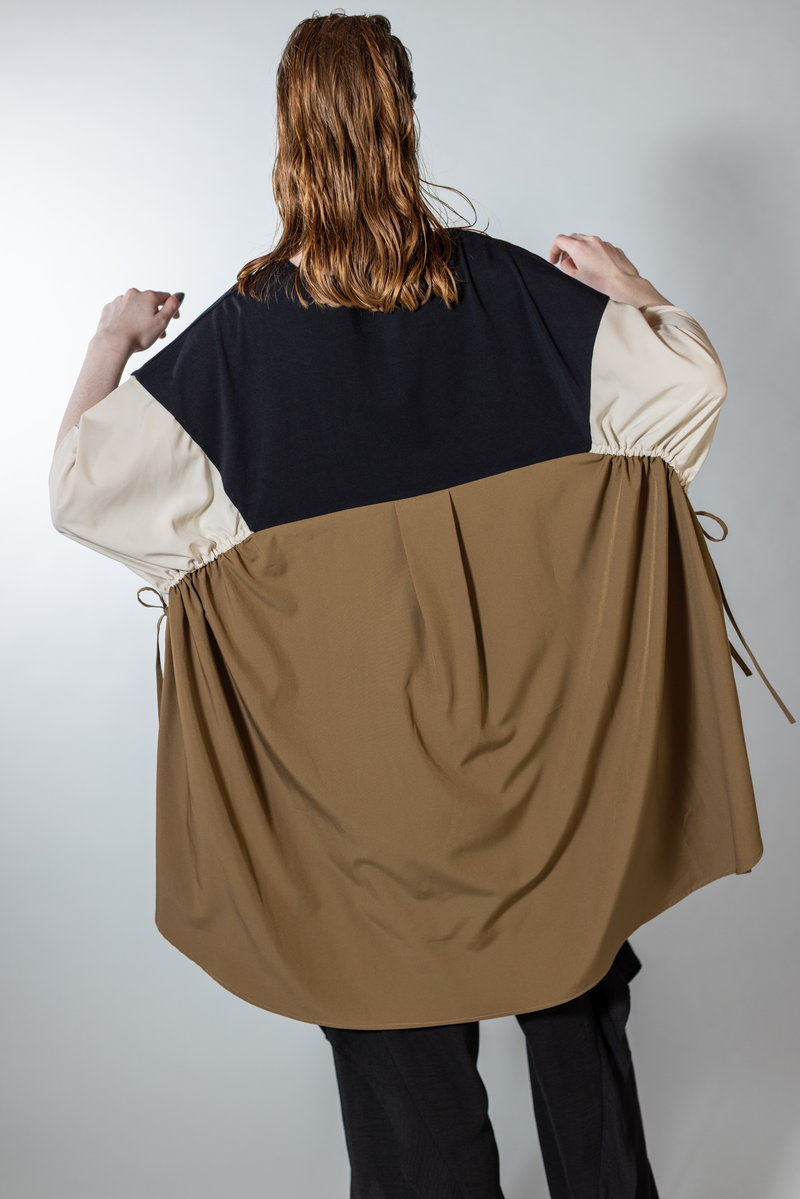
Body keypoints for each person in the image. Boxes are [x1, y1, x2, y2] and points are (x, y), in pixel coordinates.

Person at [49, 11, 793, 1199]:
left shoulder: (235, 346)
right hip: (546, 783)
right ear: (401, 118)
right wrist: (627, 286)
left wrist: (110, 341)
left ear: (287, 135)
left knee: (397, 1049)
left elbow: (86, 490)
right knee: (573, 1003)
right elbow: (683, 392)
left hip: (354, 801)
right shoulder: (510, 292)